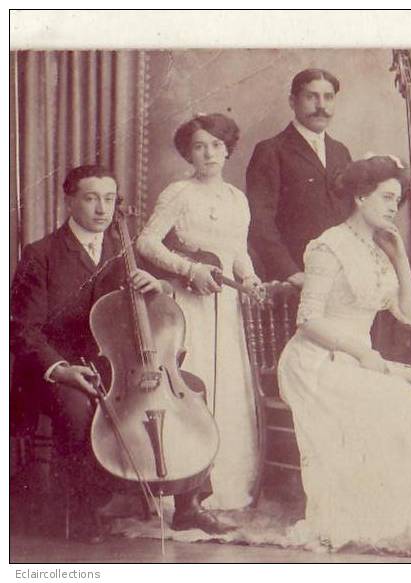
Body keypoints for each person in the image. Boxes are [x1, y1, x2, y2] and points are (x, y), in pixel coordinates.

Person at [10, 164, 231, 539]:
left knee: (192, 387)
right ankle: (84, 509)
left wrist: (156, 283)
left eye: (109, 199)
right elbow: (21, 330)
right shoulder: (41, 254)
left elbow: (156, 304)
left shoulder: (123, 248)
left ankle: (189, 505)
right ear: (69, 200)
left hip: (120, 365)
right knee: (77, 406)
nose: (102, 209)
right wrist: (61, 369)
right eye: (91, 198)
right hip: (66, 365)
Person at [277, 156, 411, 549]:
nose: (394, 207)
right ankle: (361, 517)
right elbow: (308, 319)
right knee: (390, 400)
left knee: (405, 401)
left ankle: (391, 516)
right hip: (316, 359)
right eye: (387, 197)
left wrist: (402, 257)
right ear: (360, 196)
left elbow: (409, 314)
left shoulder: (378, 251)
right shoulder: (329, 246)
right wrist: (360, 352)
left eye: (397, 199)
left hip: (357, 359)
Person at [137, 114, 262, 512]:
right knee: (196, 384)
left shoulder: (236, 198)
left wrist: (252, 278)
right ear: (188, 153)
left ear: (227, 150)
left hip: (226, 309)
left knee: (228, 386)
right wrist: (190, 268)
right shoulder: (179, 193)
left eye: (215, 145)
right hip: (190, 306)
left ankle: (226, 486)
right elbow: (146, 242)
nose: (208, 153)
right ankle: (186, 494)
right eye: (199, 146)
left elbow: (237, 252)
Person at [246, 68, 353, 286]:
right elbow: (260, 222)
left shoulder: (341, 152)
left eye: (328, 97)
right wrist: (290, 273)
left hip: (343, 276)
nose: (321, 106)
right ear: (292, 101)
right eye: (311, 97)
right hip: (295, 280)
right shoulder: (271, 151)